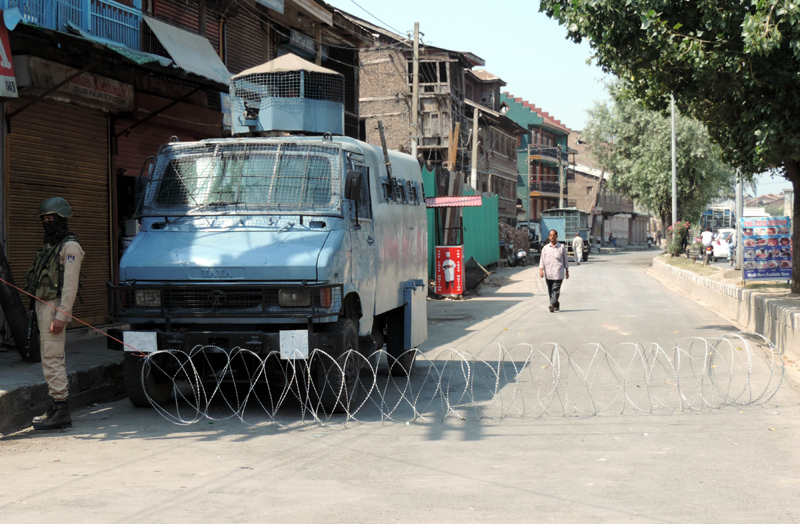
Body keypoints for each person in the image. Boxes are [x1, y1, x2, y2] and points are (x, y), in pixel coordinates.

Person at [25, 197, 84, 430]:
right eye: (44, 219)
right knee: (48, 357)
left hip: (55, 307)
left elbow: (70, 285)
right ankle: (56, 406)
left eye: (51, 218)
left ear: (61, 219)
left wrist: (61, 315)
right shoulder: (52, 245)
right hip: (43, 305)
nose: (47, 222)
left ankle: (61, 410)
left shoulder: (70, 247)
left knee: (52, 357)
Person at [539, 229, 569, 313]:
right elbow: (542, 260)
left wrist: (567, 271)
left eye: (554, 235)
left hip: (558, 272)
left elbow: (565, 260)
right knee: (550, 290)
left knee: (555, 289)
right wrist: (541, 270)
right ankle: (556, 304)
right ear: (549, 237)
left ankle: (552, 304)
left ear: (556, 236)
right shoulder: (545, 248)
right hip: (548, 273)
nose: (552, 237)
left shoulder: (561, 247)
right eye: (551, 235)